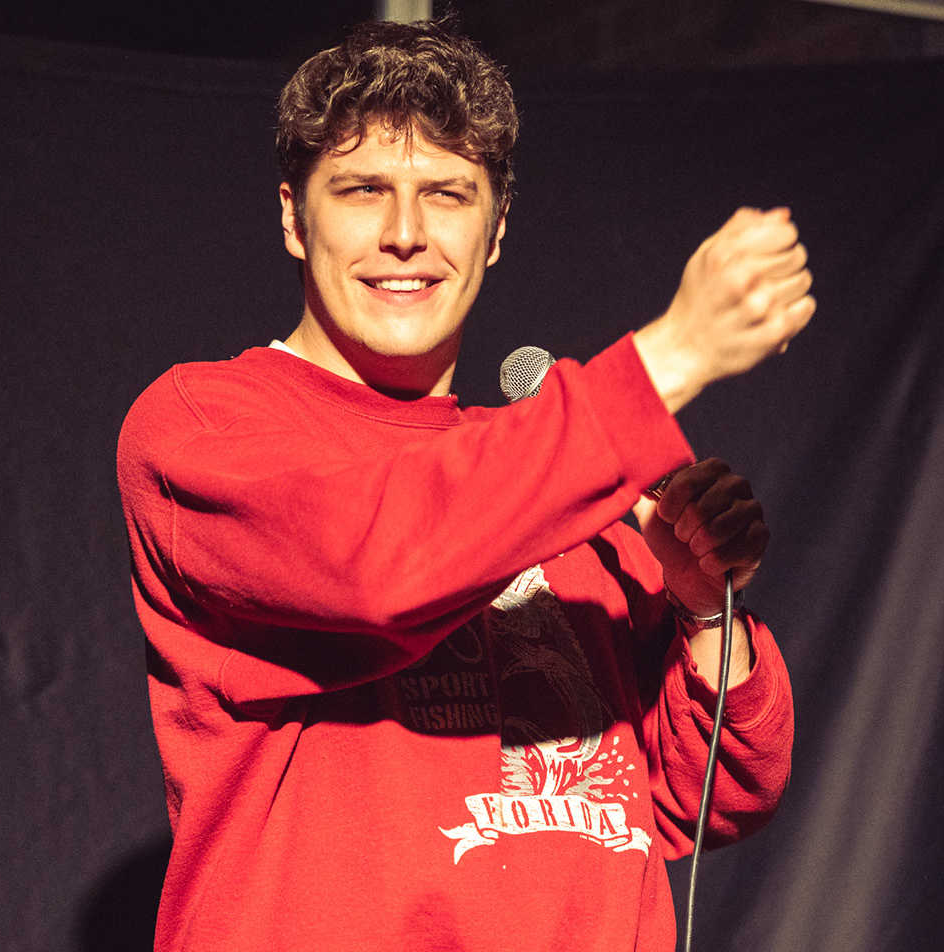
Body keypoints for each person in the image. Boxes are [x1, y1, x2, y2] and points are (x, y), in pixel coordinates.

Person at [116, 19, 814, 952]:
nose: (405, 235)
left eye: (446, 194)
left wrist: (701, 610)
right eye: (363, 190)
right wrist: (673, 355)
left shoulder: (554, 474)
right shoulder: (208, 424)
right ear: (292, 217)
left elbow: (716, 795)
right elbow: (376, 564)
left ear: (496, 229)